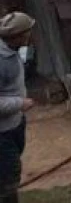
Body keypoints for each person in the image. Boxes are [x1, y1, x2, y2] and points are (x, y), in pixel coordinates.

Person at [0, 12, 35, 203]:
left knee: (9, 171)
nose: (31, 35)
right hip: (2, 133)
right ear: (19, 36)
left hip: (15, 124)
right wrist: (20, 103)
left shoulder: (12, 51)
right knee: (9, 179)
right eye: (28, 32)